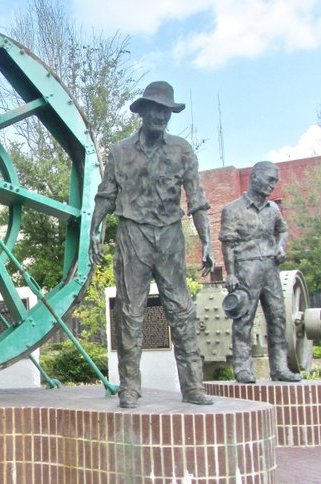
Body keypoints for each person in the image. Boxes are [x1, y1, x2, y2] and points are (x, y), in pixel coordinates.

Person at [89, 81, 215, 409]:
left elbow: (198, 201)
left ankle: (193, 387)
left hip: (171, 235)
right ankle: (129, 388)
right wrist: (94, 232)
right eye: (155, 109)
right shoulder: (120, 151)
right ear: (142, 111)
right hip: (133, 234)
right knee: (131, 312)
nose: (161, 115)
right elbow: (105, 195)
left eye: (166, 110)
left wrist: (206, 242)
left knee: (182, 310)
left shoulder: (182, 150)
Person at [219, 161, 302, 384]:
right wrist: (231, 273)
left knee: (277, 317)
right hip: (246, 268)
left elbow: (282, 230)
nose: (273, 185)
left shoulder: (273, 209)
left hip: (270, 269)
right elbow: (227, 244)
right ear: (254, 177)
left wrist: (280, 246)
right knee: (244, 319)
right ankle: (243, 368)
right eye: (270, 179)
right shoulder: (233, 209)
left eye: (275, 181)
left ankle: (280, 368)